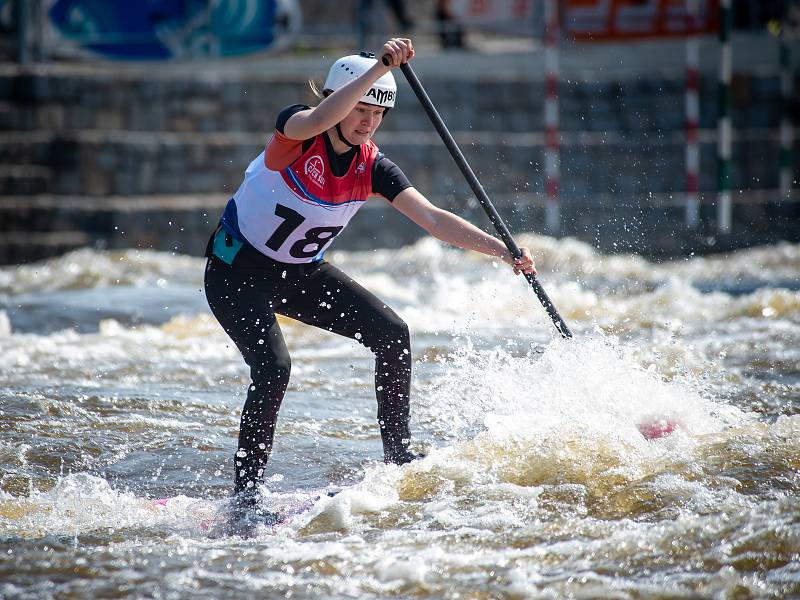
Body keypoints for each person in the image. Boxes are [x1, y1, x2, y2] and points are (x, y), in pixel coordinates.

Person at [203, 37, 535, 513]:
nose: (368, 122)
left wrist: (502, 250)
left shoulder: (373, 166)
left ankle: (398, 454)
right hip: (235, 274)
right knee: (274, 368)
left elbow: (434, 219)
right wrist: (380, 67)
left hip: (299, 274)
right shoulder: (296, 133)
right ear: (338, 99)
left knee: (393, 334)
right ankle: (246, 495)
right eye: (361, 110)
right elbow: (319, 119)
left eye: (378, 114)